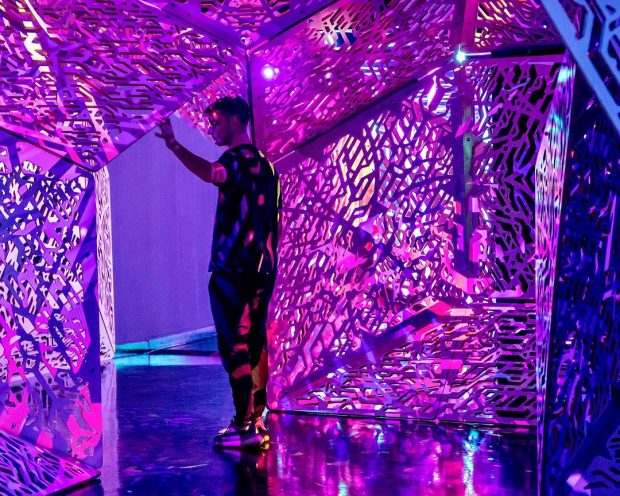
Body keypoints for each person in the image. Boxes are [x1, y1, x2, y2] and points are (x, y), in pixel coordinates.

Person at [157, 96, 281, 448]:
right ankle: (256, 418)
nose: (212, 127)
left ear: (233, 120)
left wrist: (173, 145)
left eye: (215, 121)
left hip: (233, 267)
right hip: (263, 268)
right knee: (256, 339)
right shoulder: (268, 166)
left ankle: (244, 427)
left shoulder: (236, 160)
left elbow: (212, 173)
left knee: (235, 343)